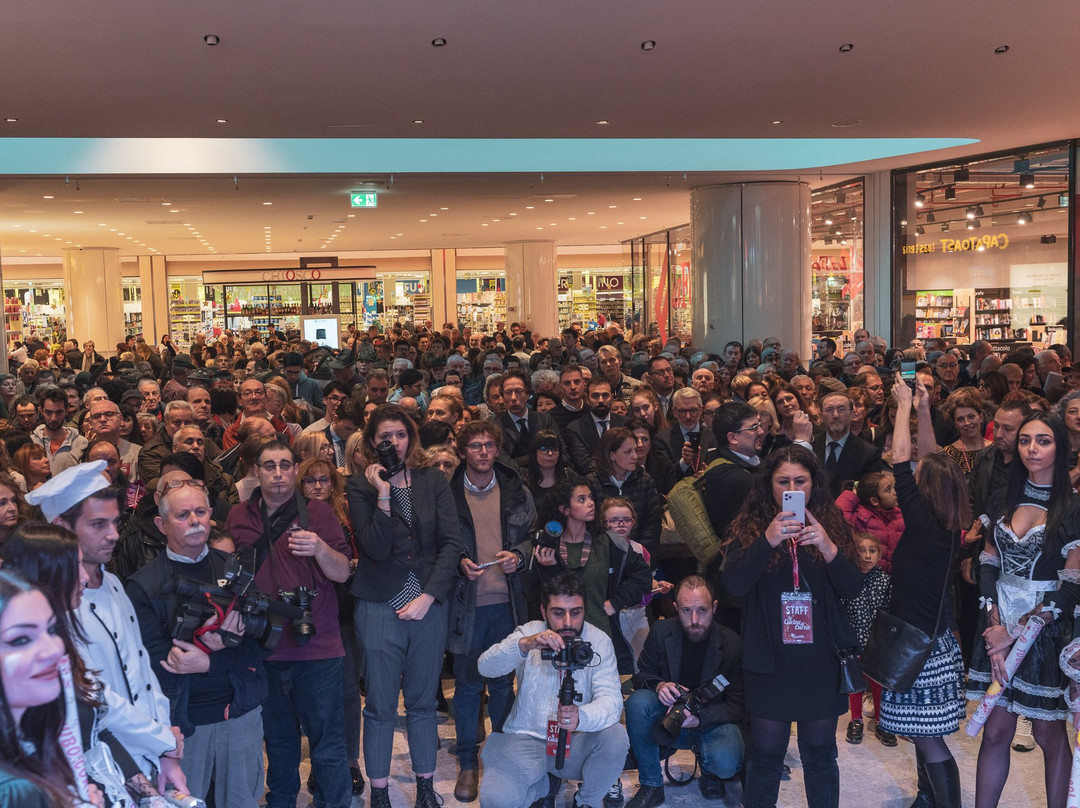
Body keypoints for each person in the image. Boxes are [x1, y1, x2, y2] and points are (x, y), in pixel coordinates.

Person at [24, 463, 185, 791]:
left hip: (150, 754)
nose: (113, 534)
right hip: (101, 768)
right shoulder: (50, 608)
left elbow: (142, 671)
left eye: (115, 522)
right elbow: (95, 697)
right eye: (98, 524)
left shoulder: (112, 582)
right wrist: (161, 740)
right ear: (61, 528)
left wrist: (167, 749)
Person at [721, 445, 862, 808]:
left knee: (819, 754)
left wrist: (829, 549)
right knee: (766, 755)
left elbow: (853, 589)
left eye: (800, 480)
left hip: (820, 658)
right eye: (783, 481)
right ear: (768, 485)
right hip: (770, 656)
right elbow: (734, 585)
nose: (792, 488)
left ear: (814, 483)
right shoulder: (752, 527)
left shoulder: (830, 524)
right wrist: (768, 540)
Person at [346, 403, 464, 808]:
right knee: (379, 704)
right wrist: (383, 494)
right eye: (384, 436)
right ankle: (380, 792)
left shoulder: (433, 480)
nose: (392, 442)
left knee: (423, 702)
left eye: (399, 434)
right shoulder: (360, 486)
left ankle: (426, 789)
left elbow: (452, 542)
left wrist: (429, 596)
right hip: (380, 604)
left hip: (428, 603)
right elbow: (374, 547)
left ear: (410, 438)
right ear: (370, 442)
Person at [225, 440, 353, 808]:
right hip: (263, 646)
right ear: (256, 471)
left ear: (295, 470)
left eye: (284, 465)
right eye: (269, 466)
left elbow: (343, 572)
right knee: (278, 743)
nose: (278, 473)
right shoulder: (238, 516)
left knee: (327, 745)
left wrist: (319, 548)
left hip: (318, 649)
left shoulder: (319, 514)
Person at [126, 480, 269, 807]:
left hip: (241, 711)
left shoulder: (236, 571)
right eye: (183, 514)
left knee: (242, 801)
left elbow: (264, 642)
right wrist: (216, 644)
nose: (195, 520)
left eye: (201, 512)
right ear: (162, 525)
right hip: (182, 725)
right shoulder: (143, 585)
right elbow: (160, 663)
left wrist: (211, 658)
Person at [967, 409, 1080, 808]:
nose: (1033, 448)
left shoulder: (1073, 507)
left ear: (1059, 447)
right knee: (996, 732)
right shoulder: (1002, 496)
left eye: (1044, 441)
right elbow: (987, 559)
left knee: (1049, 736)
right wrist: (993, 620)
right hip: (996, 622)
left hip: (1046, 631)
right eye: (1026, 440)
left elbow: (1071, 586)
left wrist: (1016, 631)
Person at [875, 375, 969, 807]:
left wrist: (901, 405)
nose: (911, 472)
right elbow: (931, 456)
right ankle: (926, 797)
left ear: (924, 484)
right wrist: (925, 410)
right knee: (919, 732)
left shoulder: (922, 518)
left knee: (927, 739)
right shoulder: (946, 515)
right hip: (933, 640)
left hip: (920, 647)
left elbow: (899, 457)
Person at [476, 573, 628, 808]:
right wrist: (524, 645)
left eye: (576, 612)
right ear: (543, 610)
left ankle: (586, 801)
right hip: (525, 738)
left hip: (575, 741)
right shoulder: (531, 631)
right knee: (496, 800)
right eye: (558, 612)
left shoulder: (599, 641)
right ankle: (543, 785)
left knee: (616, 736)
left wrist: (581, 717)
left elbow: (612, 700)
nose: (568, 622)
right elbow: (485, 667)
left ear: (584, 610)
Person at [446, 420, 537, 802]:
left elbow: (535, 537)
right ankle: (468, 762)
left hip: (507, 603)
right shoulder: (447, 493)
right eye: (474, 446)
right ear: (462, 451)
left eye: (488, 445)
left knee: (502, 686)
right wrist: (458, 562)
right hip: (466, 606)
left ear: (497, 449)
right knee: (467, 687)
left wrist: (520, 555)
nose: (482, 452)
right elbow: (436, 544)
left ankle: (499, 758)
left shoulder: (516, 489)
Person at [624, 576, 746, 808]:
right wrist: (660, 686)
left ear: (715, 607)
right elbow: (641, 676)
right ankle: (651, 784)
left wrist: (699, 719)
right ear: (675, 608)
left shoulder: (732, 644)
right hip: (672, 716)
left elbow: (738, 705)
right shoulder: (661, 631)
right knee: (638, 702)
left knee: (726, 761)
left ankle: (711, 773)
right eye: (686, 611)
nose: (694, 620)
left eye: (702, 610)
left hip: (712, 720)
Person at [534, 477, 652, 677]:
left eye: (590, 497)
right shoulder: (549, 544)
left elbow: (643, 577)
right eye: (581, 499)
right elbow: (542, 596)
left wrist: (615, 602)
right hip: (560, 638)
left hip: (601, 635)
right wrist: (550, 569)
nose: (590, 503)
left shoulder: (607, 541)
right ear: (565, 509)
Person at [840, 533, 891, 747]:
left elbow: (889, 610)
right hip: (852, 639)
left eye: (872, 551)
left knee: (878, 683)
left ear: (879, 555)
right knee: (855, 682)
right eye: (862, 550)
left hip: (877, 641)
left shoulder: (885, 580)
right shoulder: (847, 578)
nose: (867, 555)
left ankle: (882, 721)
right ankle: (856, 719)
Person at [585, 427, 662, 556]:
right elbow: (590, 526)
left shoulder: (645, 481)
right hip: (601, 555)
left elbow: (652, 526)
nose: (635, 456)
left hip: (638, 555)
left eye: (635, 451)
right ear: (612, 455)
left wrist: (636, 555)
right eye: (628, 452)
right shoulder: (591, 483)